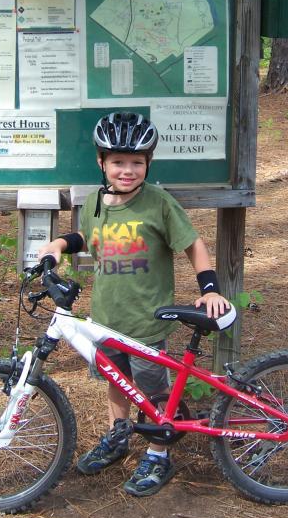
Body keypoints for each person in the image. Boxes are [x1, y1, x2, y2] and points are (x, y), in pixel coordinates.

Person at [37, 111, 232, 497]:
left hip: (146, 321)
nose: (127, 170)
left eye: (136, 163)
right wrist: (60, 244)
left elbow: (192, 242)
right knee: (116, 381)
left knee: (152, 389)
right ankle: (119, 435)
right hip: (108, 318)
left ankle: (159, 453)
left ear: (148, 164)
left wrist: (209, 287)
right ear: (102, 163)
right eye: (118, 162)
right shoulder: (95, 200)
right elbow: (86, 235)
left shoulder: (158, 203)